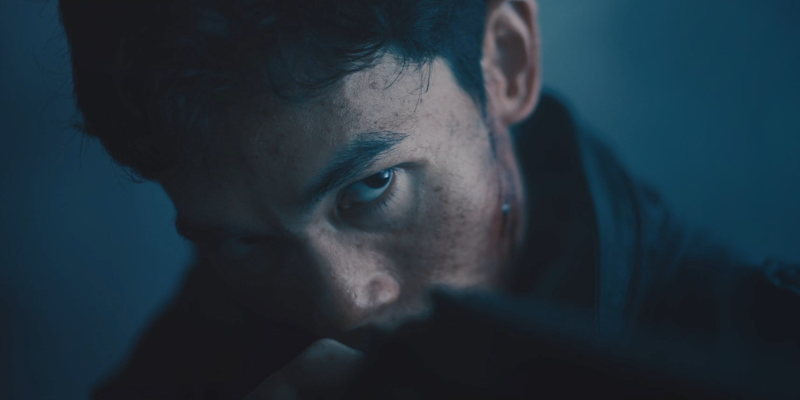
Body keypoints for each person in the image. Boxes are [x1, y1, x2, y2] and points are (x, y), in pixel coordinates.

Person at [59, 0, 800, 398]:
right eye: (244, 241)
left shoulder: (749, 356)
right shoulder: (214, 328)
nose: (340, 307)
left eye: (373, 187)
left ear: (506, 62)